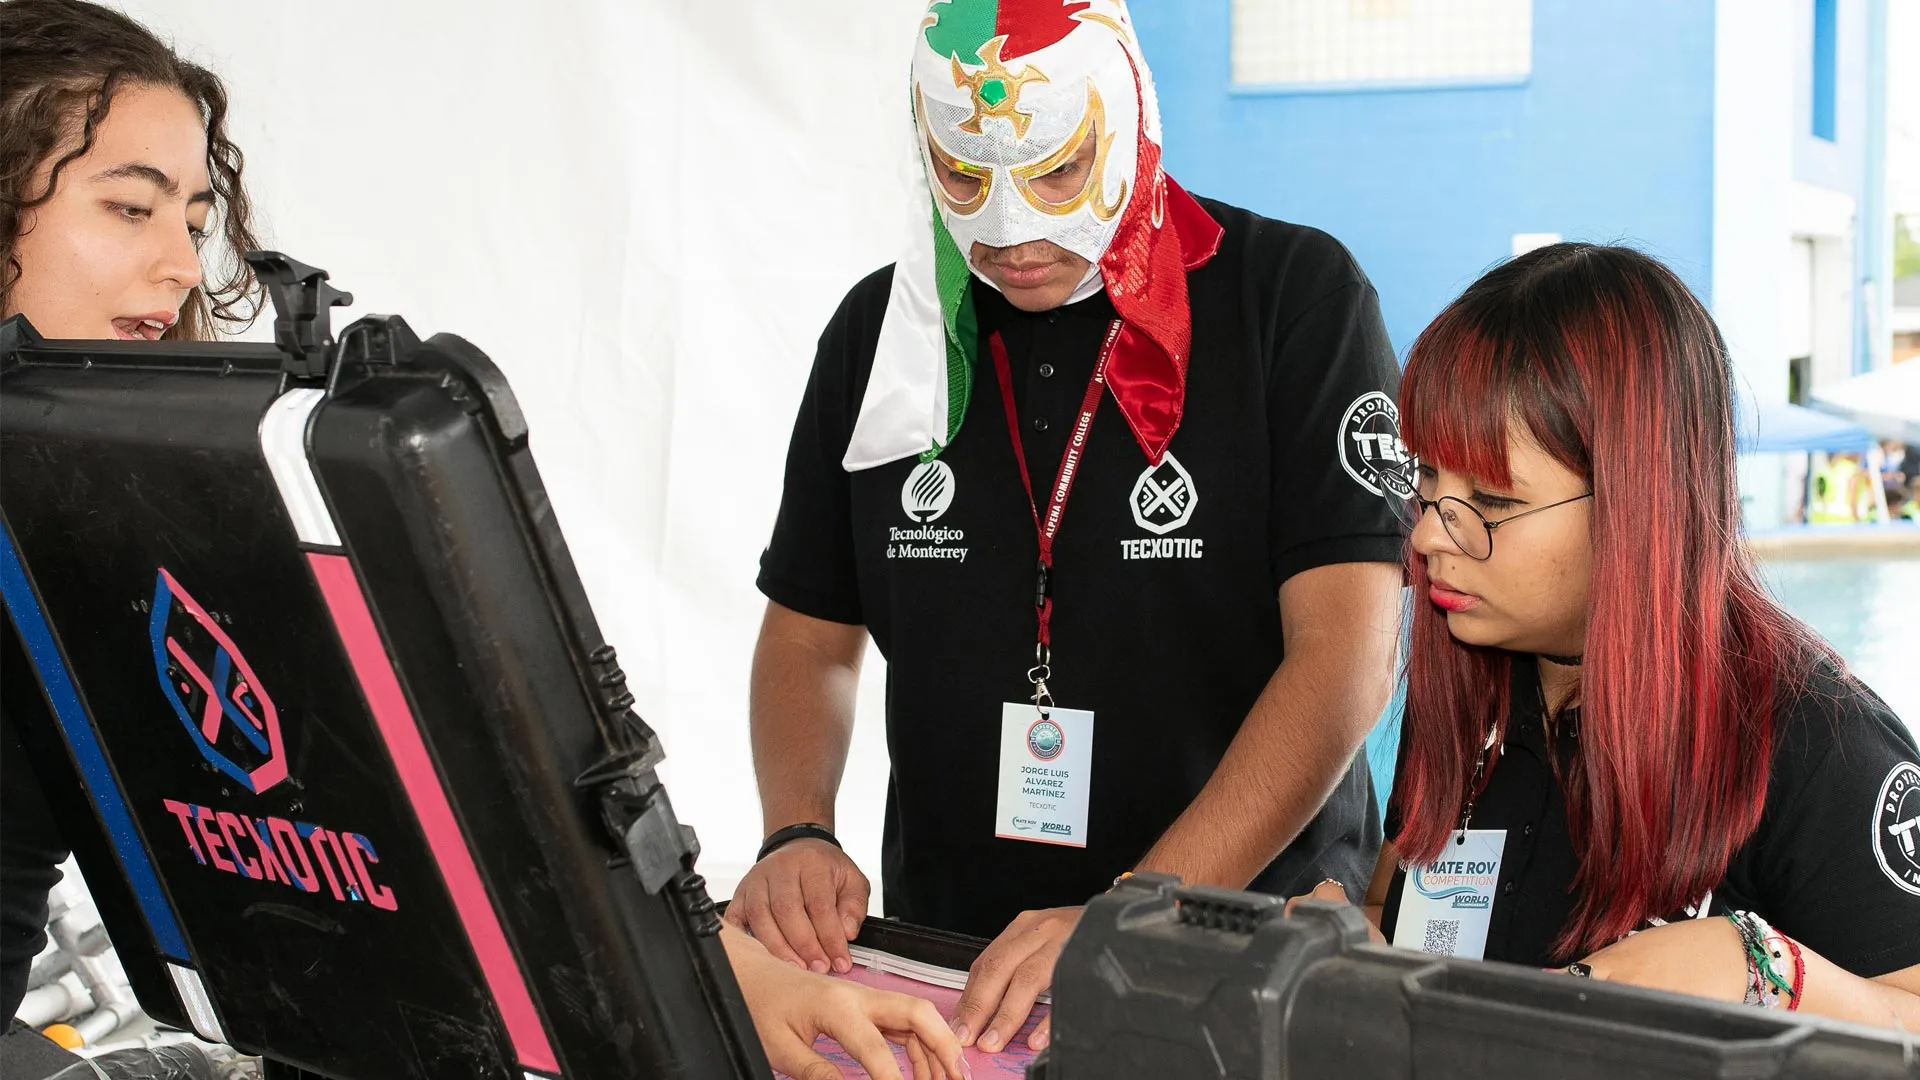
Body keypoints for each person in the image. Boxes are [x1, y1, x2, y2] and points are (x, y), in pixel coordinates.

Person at [0, 4, 961, 1076]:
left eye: (190, 220)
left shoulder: (90, 505)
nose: (180, 265)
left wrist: (732, 981)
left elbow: (414, 827)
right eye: (129, 207)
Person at [737, 0, 1403, 1054]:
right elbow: (811, 633)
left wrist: (1138, 912)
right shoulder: (884, 331)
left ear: (1130, 113)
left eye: (1054, 174)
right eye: (964, 178)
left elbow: (1348, 662)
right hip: (952, 963)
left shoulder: (1294, 297)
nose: (1012, 229)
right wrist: (798, 828)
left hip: (1238, 951)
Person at [1293, 243, 1920, 1028]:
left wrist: (1759, 967)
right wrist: (1354, 936)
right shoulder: (1474, 697)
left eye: (1489, 500)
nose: (1428, 538)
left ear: (1638, 501)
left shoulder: (1816, 743)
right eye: (1427, 485)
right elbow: (1411, 906)